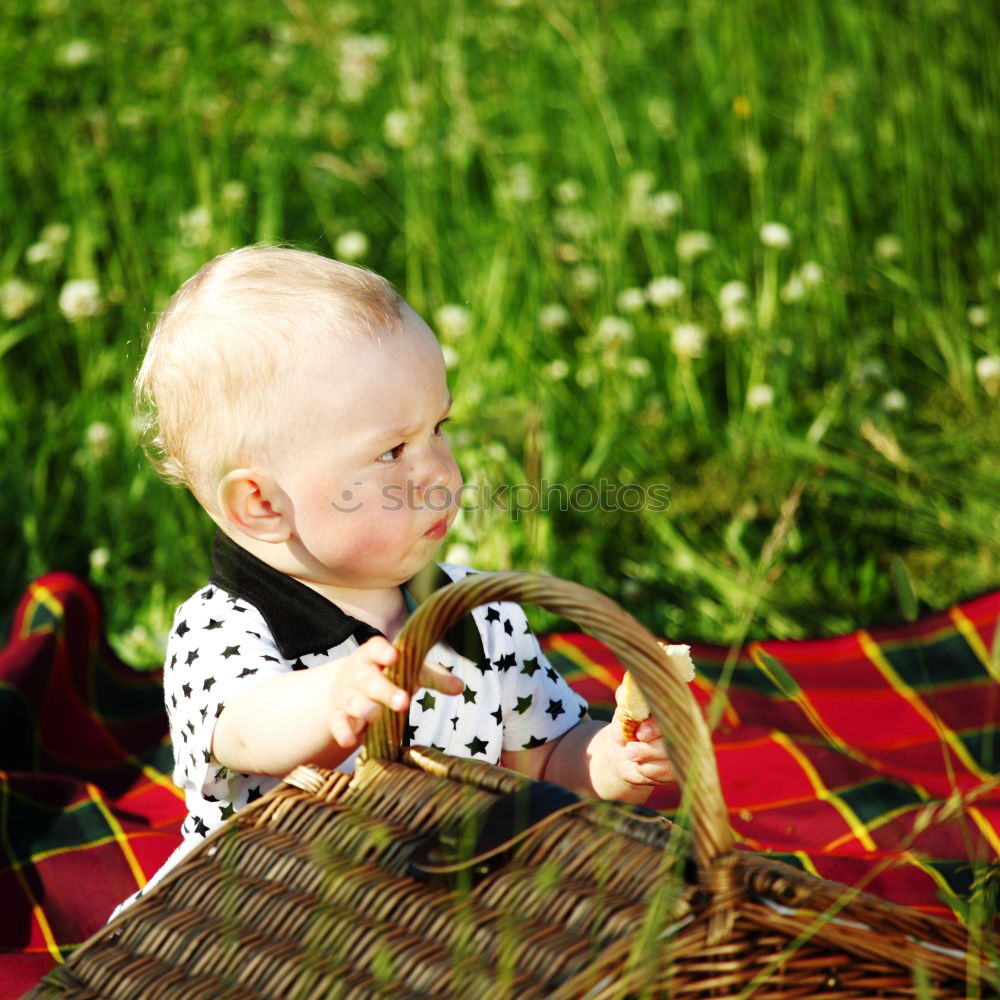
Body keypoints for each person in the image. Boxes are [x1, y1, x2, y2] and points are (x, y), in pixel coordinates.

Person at [129, 245, 674, 900]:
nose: (442, 472)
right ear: (263, 505)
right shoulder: (221, 628)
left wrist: (611, 762)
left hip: (433, 913)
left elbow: (544, 751)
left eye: (438, 428)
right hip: (265, 914)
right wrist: (335, 698)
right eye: (393, 451)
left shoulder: (477, 610)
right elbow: (248, 727)